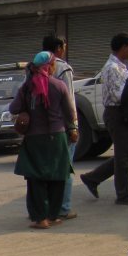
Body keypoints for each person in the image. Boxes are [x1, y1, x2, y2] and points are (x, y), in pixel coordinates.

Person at [9, 52, 78, 229]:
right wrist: (72, 129)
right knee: (58, 176)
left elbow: (13, 108)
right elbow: (70, 114)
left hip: (34, 139)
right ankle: (53, 216)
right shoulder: (59, 85)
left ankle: (41, 219)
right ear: (51, 66)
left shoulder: (27, 87)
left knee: (36, 179)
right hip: (57, 137)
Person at [79, 33, 128, 205]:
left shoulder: (121, 66)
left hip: (123, 114)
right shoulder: (112, 68)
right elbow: (119, 95)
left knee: (125, 153)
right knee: (123, 156)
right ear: (123, 47)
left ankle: (92, 178)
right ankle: (123, 195)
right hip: (117, 114)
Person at [42, 35, 78, 220]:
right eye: (63, 46)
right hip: (60, 127)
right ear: (58, 48)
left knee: (44, 170)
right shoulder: (63, 68)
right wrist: (73, 127)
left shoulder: (34, 68)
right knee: (65, 168)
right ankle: (63, 207)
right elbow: (68, 101)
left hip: (40, 129)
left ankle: (44, 208)